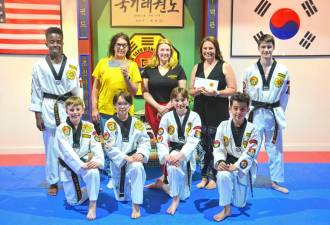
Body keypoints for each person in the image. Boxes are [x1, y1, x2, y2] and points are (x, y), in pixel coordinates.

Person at [29, 27, 82, 196]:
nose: (55, 44)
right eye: (52, 41)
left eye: (58, 41)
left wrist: (80, 109)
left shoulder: (72, 64)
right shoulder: (39, 66)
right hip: (48, 106)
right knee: (51, 146)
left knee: (70, 144)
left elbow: (77, 89)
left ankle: (72, 175)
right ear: (46, 43)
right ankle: (52, 181)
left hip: (68, 106)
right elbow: (36, 90)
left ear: (63, 43)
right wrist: (37, 115)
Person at [91, 32, 142, 188]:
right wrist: (94, 108)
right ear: (113, 46)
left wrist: (127, 77)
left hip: (124, 111)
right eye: (118, 44)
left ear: (128, 48)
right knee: (108, 144)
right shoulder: (103, 63)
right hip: (105, 110)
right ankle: (111, 174)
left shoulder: (131, 65)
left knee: (122, 144)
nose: (121, 47)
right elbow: (95, 88)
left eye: (124, 45)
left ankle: (123, 171)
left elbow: (134, 91)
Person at [243, 34, 290, 194]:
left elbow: (286, 94)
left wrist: (279, 111)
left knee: (275, 148)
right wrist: (245, 113)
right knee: (251, 146)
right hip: (255, 113)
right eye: (263, 47)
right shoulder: (250, 70)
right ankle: (246, 177)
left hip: (273, 113)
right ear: (259, 48)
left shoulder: (283, 70)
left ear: (273, 48)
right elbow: (245, 93)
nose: (266, 50)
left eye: (269, 47)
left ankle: (276, 181)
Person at [189, 36, 236, 189]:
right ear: (201, 51)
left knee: (217, 144)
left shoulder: (225, 66)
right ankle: (203, 175)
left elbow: (233, 89)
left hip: (218, 111)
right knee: (202, 145)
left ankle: (214, 176)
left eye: (211, 48)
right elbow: (190, 91)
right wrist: (197, 91)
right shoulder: (197, 67)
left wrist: (216, 93)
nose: (208, 51)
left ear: (216, 50)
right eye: (205, 48)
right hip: (200, 110)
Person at [142, 38, 187, 189]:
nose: (165, 52)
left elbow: (182, 92)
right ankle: (164, 176)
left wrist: (168, 107)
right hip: (153, 109)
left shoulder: (178, 69)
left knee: (170, 141)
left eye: (167, 50)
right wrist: (158, 107)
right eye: (162, 49)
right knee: (161, 142)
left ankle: (169, 175)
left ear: (171, 52)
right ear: (157, 52)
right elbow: (145, 92)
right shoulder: (149, 68)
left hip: (173, 109)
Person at [213, 92, 260, 222]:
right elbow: (218, 147)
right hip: (227, 164)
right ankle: (226, 209)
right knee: (222, 176)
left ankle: (234, 193)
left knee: (240, 204)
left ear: (248, 110)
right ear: (230, 109)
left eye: (242, 109)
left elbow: (251, 153)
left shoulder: (254, 129)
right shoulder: (223, 126)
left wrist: (237, 166)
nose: (238, 112)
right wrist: (220, 161)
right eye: (235, 108)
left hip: (242, 167)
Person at [55, 96, 104, 220]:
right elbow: (66, 151)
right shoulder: (61, 129)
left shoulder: (89, 126)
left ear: (83, 110)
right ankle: (92, 189)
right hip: (70, 166)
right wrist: (79, 164)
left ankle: (92, 205)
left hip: (85, 162)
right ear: (67, 111)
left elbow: (96, 145)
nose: (75, 112)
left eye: (78, 109)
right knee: (73, 201)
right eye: (71, 110)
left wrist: (97, 161)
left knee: (93, 173)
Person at [103, 91, 150, 219]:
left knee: (138, 167)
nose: (122, 106)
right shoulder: (109, 124)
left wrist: (140, 153)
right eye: (119, 103)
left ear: (130, 105)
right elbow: (108, 146)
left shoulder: (137, 123)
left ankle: (136, 206)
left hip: (133, 159)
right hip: (119, 163)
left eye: (125, 103)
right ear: (114, 105)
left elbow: (145, 141)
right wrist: (125, 157)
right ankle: (124, 190)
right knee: (122, 198)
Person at [156, 87, 201, 215]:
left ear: (188, 101)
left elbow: (193, 140)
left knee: (185, 195)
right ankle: (174, 200)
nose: (180, 103)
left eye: (183, 100)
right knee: (173, 167)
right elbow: (161, 139)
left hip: (188, 153)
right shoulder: (166, 117)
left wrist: (181, 155)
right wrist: (166, 156)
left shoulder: (195, 117)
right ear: (172, 101)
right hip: (172, 152)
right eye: (176, 100)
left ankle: (162, 185)